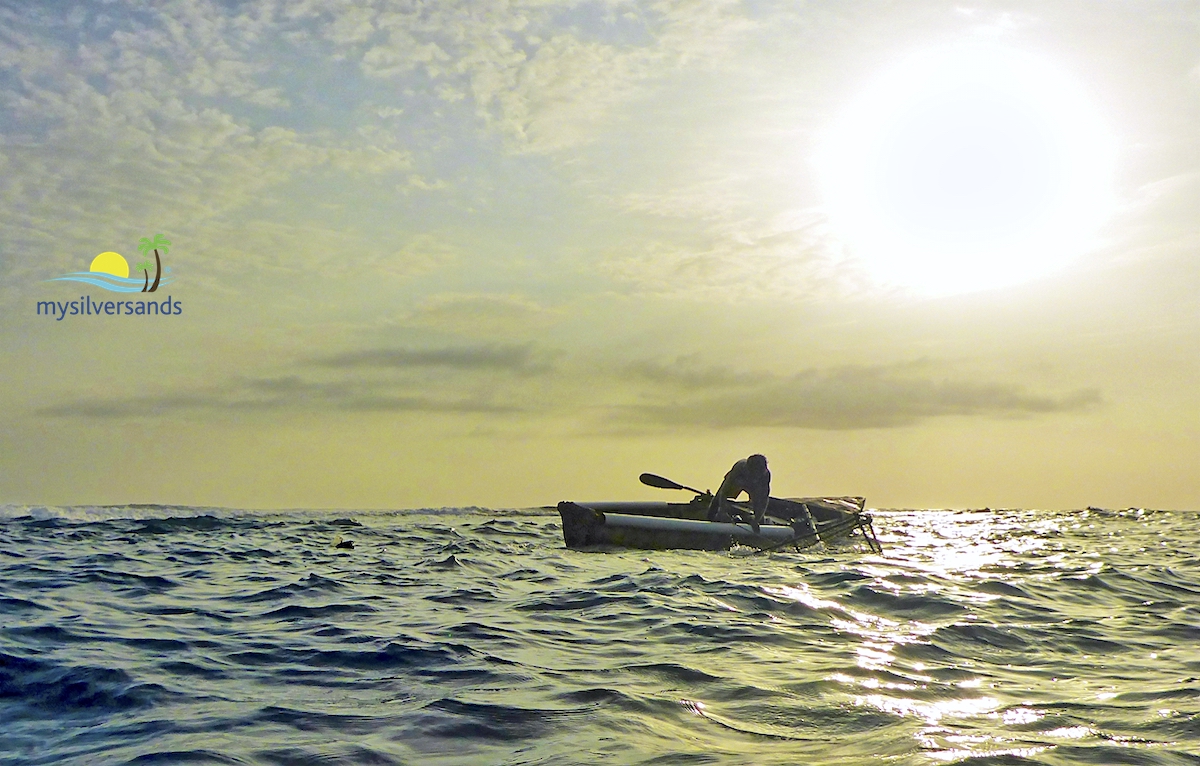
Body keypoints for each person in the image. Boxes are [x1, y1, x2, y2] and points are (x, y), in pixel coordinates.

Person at [707, 454, 771, 533]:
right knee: (717, 500)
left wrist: (756, 519)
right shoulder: (739, 468)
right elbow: (723, 492)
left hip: (754, 487)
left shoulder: (766, 475)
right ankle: (709, 520)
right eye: (756, 473)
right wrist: (723, 512)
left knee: (758, 504)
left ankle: (760, 527)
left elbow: (764, 500)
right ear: (749, 468)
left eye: (761, 472)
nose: (758, 475)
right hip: (738, 481)